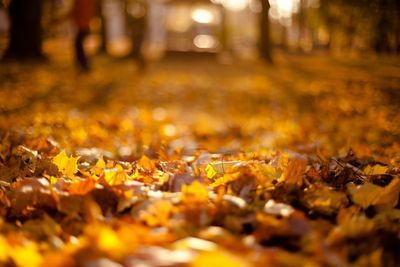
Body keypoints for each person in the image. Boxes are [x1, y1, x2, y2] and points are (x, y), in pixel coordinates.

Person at [70, 0, 96, 71]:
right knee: (79, 45)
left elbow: (75, 11)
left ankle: (84, 65)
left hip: (83, 25)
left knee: (79, 44)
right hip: (83, 24)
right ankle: (83, 65)